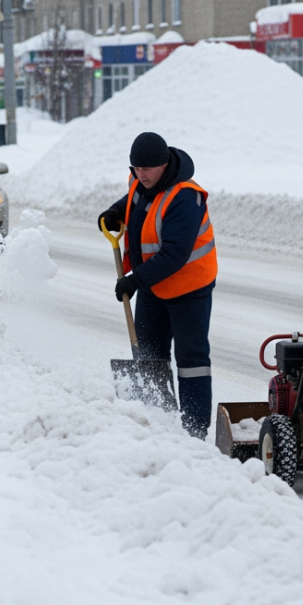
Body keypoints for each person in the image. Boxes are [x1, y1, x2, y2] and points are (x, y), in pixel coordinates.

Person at [99, 132, 218, 438]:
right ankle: (154, 424)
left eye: (148, 169)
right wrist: (116, 211)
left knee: (191, 361)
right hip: (154, 287)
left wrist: (135, 280)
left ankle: (195, 431)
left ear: (164, 164)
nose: (141, 175)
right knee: (148, 357)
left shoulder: (185, 197)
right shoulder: (141, 182)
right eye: (136, 169)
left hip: (189, 288)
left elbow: (174, 254)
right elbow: (136, 200)